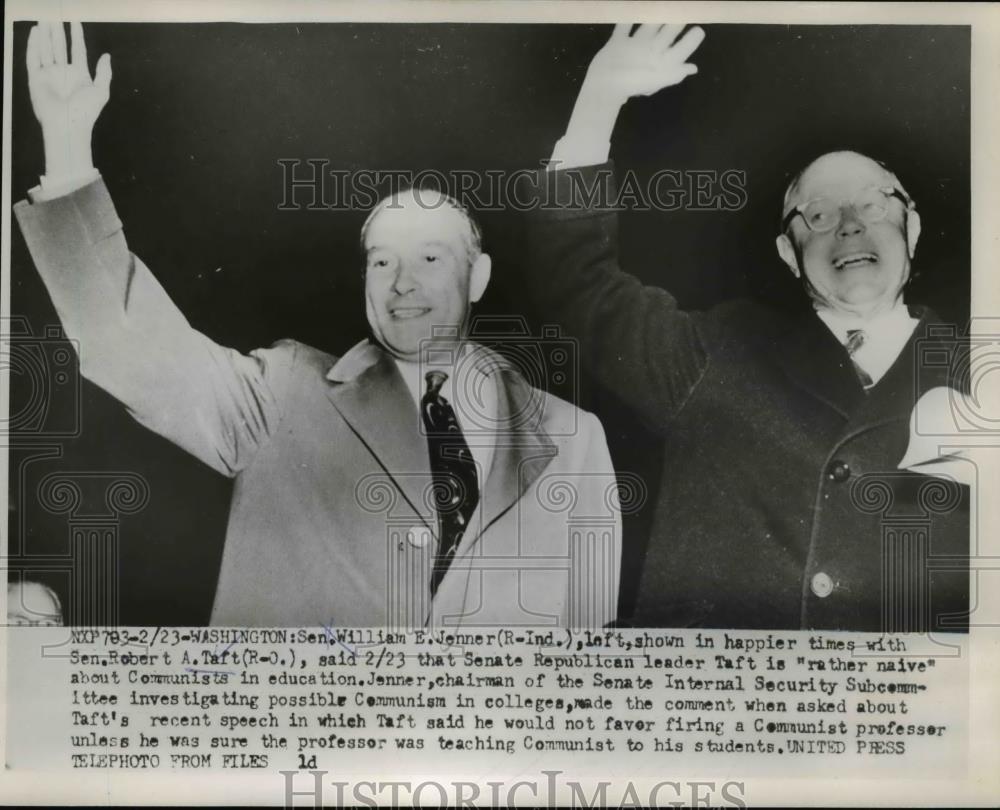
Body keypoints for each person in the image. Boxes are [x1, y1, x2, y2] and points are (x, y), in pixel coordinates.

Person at [14, 22, 621, 628]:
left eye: (431, 258)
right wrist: (68, 156)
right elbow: (126, 345)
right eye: (382, 260)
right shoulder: (282, 394)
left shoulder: (575, 438)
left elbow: (592, 657)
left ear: (478, 277)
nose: (402, 282)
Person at [520, 23, 968, 631]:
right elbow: (579, 286)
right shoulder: (717, 351)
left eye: (872, 203)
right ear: (789, 252)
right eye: (818, 213)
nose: (849, 225)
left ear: (912, 230)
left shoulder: (977, 373)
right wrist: (599, 99)